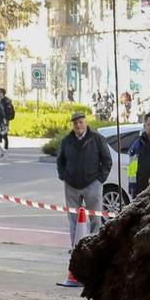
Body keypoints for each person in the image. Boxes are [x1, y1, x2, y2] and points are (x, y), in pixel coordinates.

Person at [54, 110, 112, 257]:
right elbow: (60, 160)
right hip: (71, 186)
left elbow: (107, 161)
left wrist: (100, 180)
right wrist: (63, 176)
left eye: (81, 122)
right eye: (75, 123)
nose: (78, 125)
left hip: (93, 184)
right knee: (73, 219)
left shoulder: (97, 139)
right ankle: (75, 247)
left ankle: (94, 247)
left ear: (86, 122)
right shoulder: (67, 140)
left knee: (95, 219)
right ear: (72, 125)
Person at [127, 112, 150, 197]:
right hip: (140, 191)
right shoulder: (137, 145)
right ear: (144, 126)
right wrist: (132, 188)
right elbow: (132, 170)